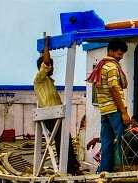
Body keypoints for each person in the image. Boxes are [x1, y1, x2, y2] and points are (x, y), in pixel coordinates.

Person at [34, 36, 80, 174]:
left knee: (65, 140)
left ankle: (71, 167)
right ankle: (69, 168)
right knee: (62, 141)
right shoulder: (39, 79)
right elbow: (46, 62)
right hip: (51, 115)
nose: (52, 68)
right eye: (50, 66)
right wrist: (47, 44)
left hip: (56, 114)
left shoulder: (47, 80)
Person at [86, 38, 130, 172]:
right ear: (111, 51)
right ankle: (124, 171)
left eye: (122, 54)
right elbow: (114, 89)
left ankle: (104, 173)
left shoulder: (102, 65)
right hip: (114, 109)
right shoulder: (111, 67)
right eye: (119, 54)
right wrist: (123, 112)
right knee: (123, 141)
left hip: (105, 110)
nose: (121, 57)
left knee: (106, 143)